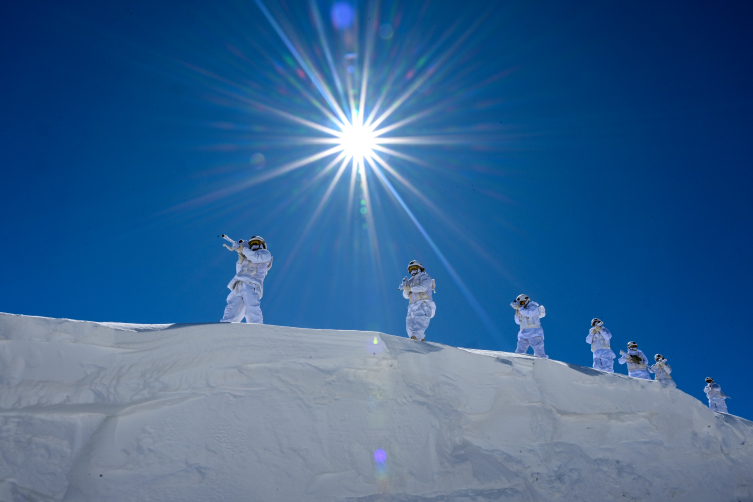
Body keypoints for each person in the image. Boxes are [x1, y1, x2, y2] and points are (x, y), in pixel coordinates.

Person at [220, 235, 273, 324]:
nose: (253, 245)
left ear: (262, 245)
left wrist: (244, 250)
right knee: (232, 308)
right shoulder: (247, 256)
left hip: (252, 284)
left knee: (252, 308)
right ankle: (225, 328)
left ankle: (256, 328)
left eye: (255, 243)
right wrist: (240, 259)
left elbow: (256, 258)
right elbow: (239, 272)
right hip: (239, 284)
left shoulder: (265, 254)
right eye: (251, 244)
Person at [399, 260, 436, 341]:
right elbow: (406, 296)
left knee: (419, 324)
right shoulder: (411, 281)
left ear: (420, 268)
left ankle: (417, 339)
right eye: (411, 269)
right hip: (412, 307)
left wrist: (410, 288)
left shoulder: (425, 277)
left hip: (424, 304)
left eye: (415, 268)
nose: (413, 271)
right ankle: (418, 341)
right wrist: (406, 288)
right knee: (409, 327)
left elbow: (423, 287)